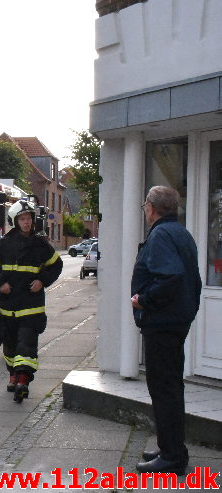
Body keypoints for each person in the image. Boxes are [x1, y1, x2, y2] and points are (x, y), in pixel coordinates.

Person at [132, 186, 201, 475]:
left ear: (151, 207)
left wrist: (144, 300)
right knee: (170, 386)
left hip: (163, 323)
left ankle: (172, 456)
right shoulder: (180, 232)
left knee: (164, 388)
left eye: (145, 205)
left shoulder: (161, 235)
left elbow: (171, 277)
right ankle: (169, 445)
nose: (145, 210)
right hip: (176, 320)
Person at [0, 199, 62, 403]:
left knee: (27, 344)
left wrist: (42, 281)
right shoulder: (4, 244)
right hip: (8, 307)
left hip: (31, 306)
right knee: (9, 346)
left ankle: (23, 382)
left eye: (29, 219)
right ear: (15, 221)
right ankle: (13, 375)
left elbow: (56, 265)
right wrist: (0, 284)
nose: (27, 222)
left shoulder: (40, 244)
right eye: (23, 219)